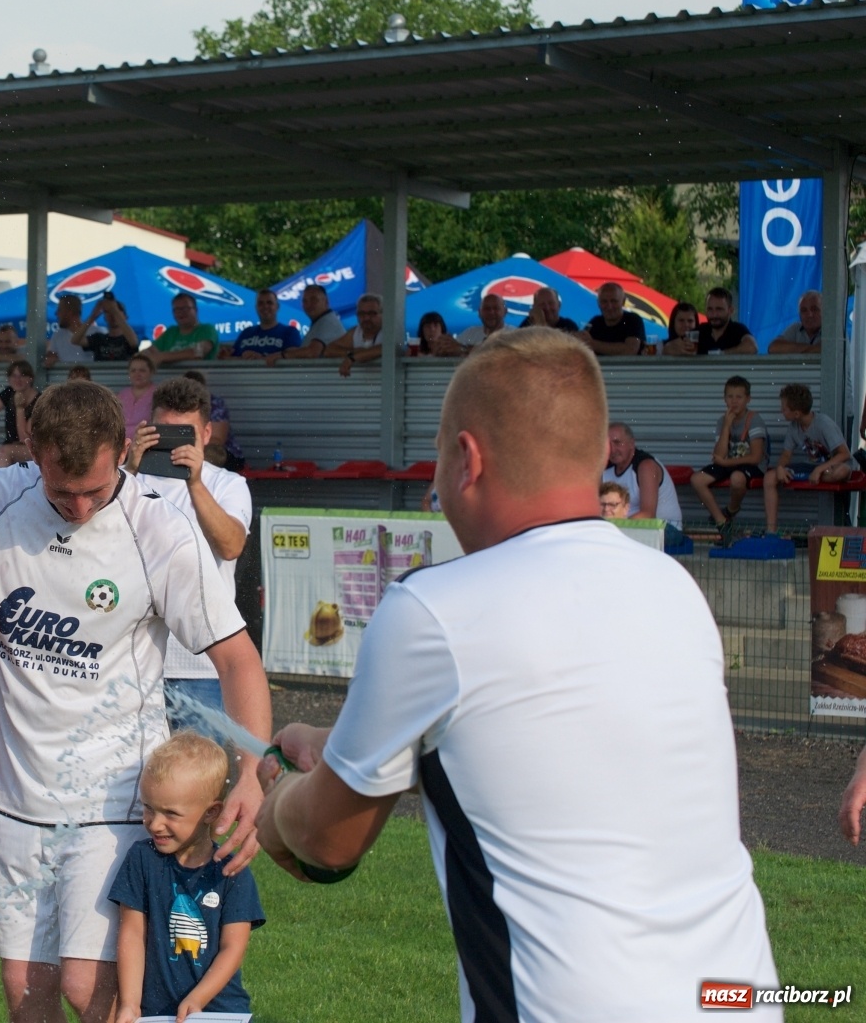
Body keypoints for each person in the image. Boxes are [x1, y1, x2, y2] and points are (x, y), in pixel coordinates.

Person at [254, 328, 779, 1022]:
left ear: (467, 459)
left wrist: (278, 800)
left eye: (438, 455)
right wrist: (341, 744)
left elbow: (327, 841)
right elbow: (533, 748)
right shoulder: (673, 586)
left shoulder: (432, 608)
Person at [0, 380, 271, 1023]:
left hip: (114, 798)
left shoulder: (159, 529)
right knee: (25, 992)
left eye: (95, 492)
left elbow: (237, 658)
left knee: (89, 989)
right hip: (15, 795)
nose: (77, 507)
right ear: (33, 454)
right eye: (60, 492)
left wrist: (251, 773)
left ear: (123, 451)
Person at [110, 733, 264, 1023]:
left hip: (219, 1013)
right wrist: (130, 1004)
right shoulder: (142, 860)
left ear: (211, 812)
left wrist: (198, 999)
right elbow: (132, 933)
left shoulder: (232, 871)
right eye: (149, 808)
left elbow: (233, 947)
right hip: (156, 1014)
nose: (155, 824)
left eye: (171, 813)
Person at [129, 377, 251, 734]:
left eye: (184, 434)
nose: (173, 443)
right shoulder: (126, 481)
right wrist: (130, 468)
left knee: (200, 768)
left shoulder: (227, 484)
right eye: (164, 432)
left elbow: (231, 546)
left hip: (199, 665)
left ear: (207, 434)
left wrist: (194, 482)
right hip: (132, 660)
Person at [763, 382, 856, 534]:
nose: (781, 411)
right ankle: (771, 530)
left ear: (796, 413)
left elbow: (844, 454)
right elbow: (786, 454)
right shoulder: (794, 427)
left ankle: (819, 475)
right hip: (812, 467)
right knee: (769, 477)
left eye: (784, 408)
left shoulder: (823, 423)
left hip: (833, 466)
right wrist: (780, 467)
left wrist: (820, 469)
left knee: (841, 472)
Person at [689, 375, 768, 546]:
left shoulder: (754, 419)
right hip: (729, 463)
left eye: (739, 397)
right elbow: (719, 455)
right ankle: (722, 522)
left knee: (737, 478)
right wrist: (726, 426)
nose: (734, 401)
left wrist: (725, 463)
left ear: (748, 399)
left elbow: (756, 457)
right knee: (697, 479)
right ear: (724, 399)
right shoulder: (722, 420)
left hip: (751, 465)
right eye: (730, 396)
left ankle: (731, 510)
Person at [604, 422, 686, 545]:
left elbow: (648, 514)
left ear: (632, 443)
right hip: (627, 527)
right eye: (607, 444)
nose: (612, 449)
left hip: (665, 528)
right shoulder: (605, 467)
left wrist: (614, 528)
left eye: (617, 443)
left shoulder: (646, 466)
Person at [0, 359, 39, 474]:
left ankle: (0, 485)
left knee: (5, 452)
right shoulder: (8, 393)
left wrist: (20, 408)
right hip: (10, 445)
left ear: (30, 378)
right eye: (14, 376)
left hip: (32, 449)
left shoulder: (39, 400)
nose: (18, 380)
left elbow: (24, 439)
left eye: (22, 375)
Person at [184, 370, 245, 471]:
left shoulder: (215, 404)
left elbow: (218, 440)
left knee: (211, 453)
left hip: (222, 454)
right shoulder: (176, 405)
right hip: (191, 449)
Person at [224, 288, 300, 365]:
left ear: (277, 307)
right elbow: (229, 359)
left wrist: (261, 358)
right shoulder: (246, 333)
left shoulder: (290, 332)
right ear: (256, 307)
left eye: (269, 303)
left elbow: (293, 357)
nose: (265, 306)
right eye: (261, 303)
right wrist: (242, 357)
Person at [323, 292, 390, 377]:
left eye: (372, 313)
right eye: (361, 314)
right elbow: (329, 350)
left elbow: (387, 348)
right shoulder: (356, 332)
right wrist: (352, 353)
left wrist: (352, 358)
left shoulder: (390, 331)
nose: (366, 318)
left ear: (383, 314)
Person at [150, 293, 218, 366]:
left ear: (195, 310)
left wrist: (162, 356)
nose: (181, 312)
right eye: (176, 310)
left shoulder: (207, 329)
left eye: (185, 308)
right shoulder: (170, 332)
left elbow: (198, 353)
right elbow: (149, 351)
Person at [580, 282, 646, 356]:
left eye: (614, 301)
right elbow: (579, 344)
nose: (609, 306)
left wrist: (592, 344)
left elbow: (630, 350)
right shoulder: (595, 322)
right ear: (598, 303)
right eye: (604, 302)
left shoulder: (633, 320)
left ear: (623, 302)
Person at [280, 283, 342, 359]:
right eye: (305, 301)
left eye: (314, 300)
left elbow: (312, 352)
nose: (309, 304)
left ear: (326, 302)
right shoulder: (321, 322)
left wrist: (282, 355)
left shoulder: (328, 322)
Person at [693, 287, 757, 355]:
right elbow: (685, 344)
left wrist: (721, 354)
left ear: (730, 310)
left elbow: (752, 347)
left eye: (719, 309)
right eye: (710, 309)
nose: (714, 314)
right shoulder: (700, 330)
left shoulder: (737, 329)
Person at [76, 294, 139, 363]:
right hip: (101, 370)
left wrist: (115, 311)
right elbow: (76, 340)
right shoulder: (98, 338)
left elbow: (134, 343)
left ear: (125, 317)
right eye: (108, 312)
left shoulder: (129, 337)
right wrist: (93, 316)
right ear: (105, 317)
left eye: (118, 311)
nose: (112, 315)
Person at [46, 295, 101, 367]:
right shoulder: (57, 335)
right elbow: (51, 355)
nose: (56, 313)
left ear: (70, 313)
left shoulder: (96, 332)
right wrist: (51, 358)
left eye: (59, 310)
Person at [768, 289, 823, 354]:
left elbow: (830, 349)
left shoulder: (831, 330)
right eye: (804, 310)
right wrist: (814, 349)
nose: (809, 315)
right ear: (799, 314)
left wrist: (795, 349)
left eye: (814, 309)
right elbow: (773, 348)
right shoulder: (796, 328)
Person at [118, 353, 157, 441]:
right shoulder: (121, 395)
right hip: (121, 443)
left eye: (142, 370)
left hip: (146, 442)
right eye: (133, 370)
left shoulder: (158, 394)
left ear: (151, 372)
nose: (137, 374)